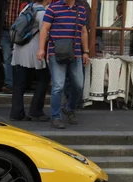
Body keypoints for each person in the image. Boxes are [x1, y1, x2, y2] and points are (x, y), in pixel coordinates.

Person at [37, 0, 90, 129]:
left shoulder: (81, 9)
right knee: (58, 86)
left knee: (79, 85)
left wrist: (86, 51)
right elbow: (44, 28)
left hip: (76, 53)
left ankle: (69, 108)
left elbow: (83, 31)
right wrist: (41, 49)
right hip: (56, 52)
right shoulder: (54, 8)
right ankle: (55, 116)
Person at [10, 0, 52, 121]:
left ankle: (16, 113)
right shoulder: (42, 13)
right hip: (33, 50)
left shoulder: (27, 8)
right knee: (44, 78)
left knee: (19, 83)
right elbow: (44, 33)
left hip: (18, 49)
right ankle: (36, 110)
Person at [0, 0, 25, 94]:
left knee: (19, 59)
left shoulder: (25, 2)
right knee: (7, 58)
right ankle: (9, 84)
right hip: (5, 32)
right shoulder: (4, 2)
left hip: (20, 33)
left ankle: (19, 84)